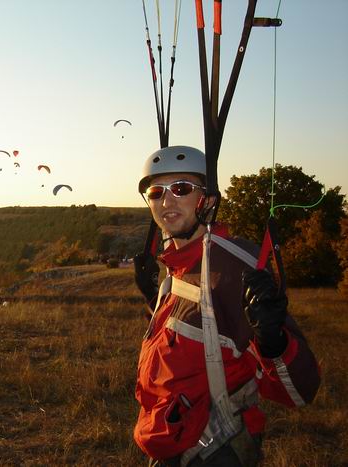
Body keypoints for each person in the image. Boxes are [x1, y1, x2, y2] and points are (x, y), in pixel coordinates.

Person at [132, 146, 320, 466]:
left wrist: (273, 342)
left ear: (206, 199)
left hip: (213, 449)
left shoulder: (232, 265)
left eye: (181, 188)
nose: (166, 201)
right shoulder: (178, 265)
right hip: (169, 440)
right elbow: (194, 336)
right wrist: (153, 296)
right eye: (156, 192)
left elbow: (301, 390)